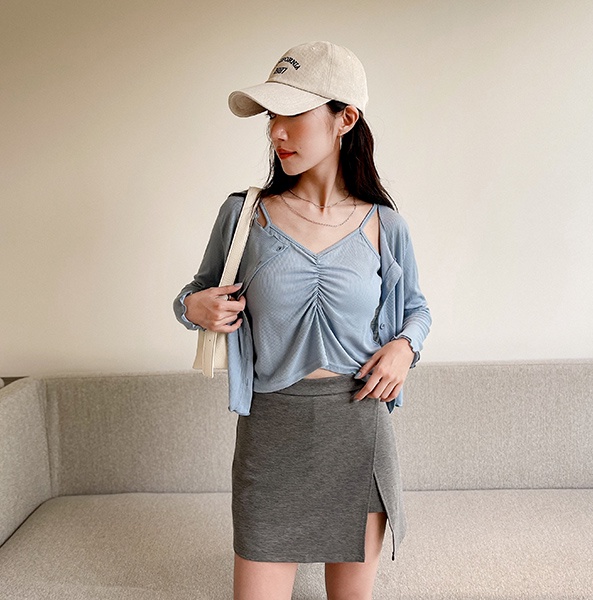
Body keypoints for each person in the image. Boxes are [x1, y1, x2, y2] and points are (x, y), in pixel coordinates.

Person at [173, 41, 431, 600]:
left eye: (292, 114)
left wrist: (405, 347)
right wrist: (195, 308)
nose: (275, 131)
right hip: (272, 432)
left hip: (359, 428)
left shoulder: (386, 225)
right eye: (271, 116)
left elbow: (417, 309)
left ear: (346, 119)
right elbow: (193, 294)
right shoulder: (245, 215)